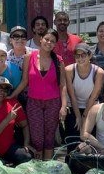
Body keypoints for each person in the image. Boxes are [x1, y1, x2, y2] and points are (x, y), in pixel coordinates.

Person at [9, 28, 67, 160]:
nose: (49, 43)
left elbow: (62, 85)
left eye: (52, 41)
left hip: (53, 102)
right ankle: (38, 167)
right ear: (40, 39)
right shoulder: (29, 57)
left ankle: (47, 166)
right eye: (46, 39)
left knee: (49, 136)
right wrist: (12, 96)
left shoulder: (58, 60)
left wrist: (63, 106)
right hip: (33, 102)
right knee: (36, 137)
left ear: (55, 44)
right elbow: (24, 81)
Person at [64, 43, 104, 142]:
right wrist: (78, 116)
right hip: (73, 107)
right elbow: (71, 95)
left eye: (83, 55)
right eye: (77, 55)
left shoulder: (98, 72)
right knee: (73, 138)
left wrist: (84, 116)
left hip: (91, 107)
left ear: (90, 55)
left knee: (88, 140)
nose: (80, 58)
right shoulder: (69, 70)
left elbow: (93, 97)